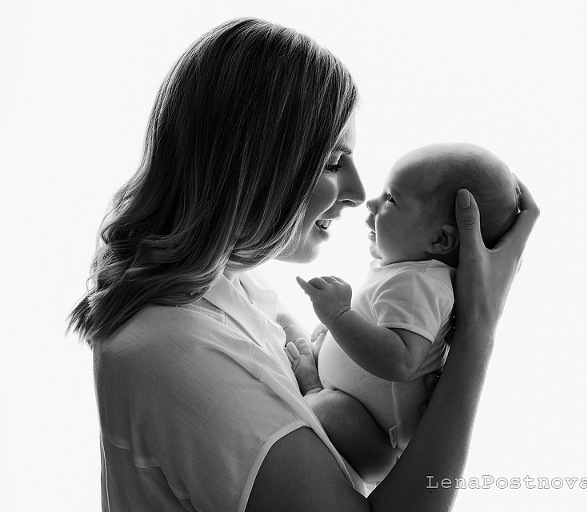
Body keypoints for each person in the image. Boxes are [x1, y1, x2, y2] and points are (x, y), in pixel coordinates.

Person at [68, 17, 539, 512]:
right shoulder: (176, 350)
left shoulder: (231, 284)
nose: (360, 193)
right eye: (335, 161)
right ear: (255, 163)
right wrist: (477, 333)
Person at [285, 143, 521, 483]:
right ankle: (319, 381)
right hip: (363, 410)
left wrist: (338, 316)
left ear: (440, 240)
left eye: (392, 199)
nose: (372, 202)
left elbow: (399, 361)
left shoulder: (422, 284)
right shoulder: (405, 272)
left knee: (329, 409)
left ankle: (312, 390)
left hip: (375, 442)